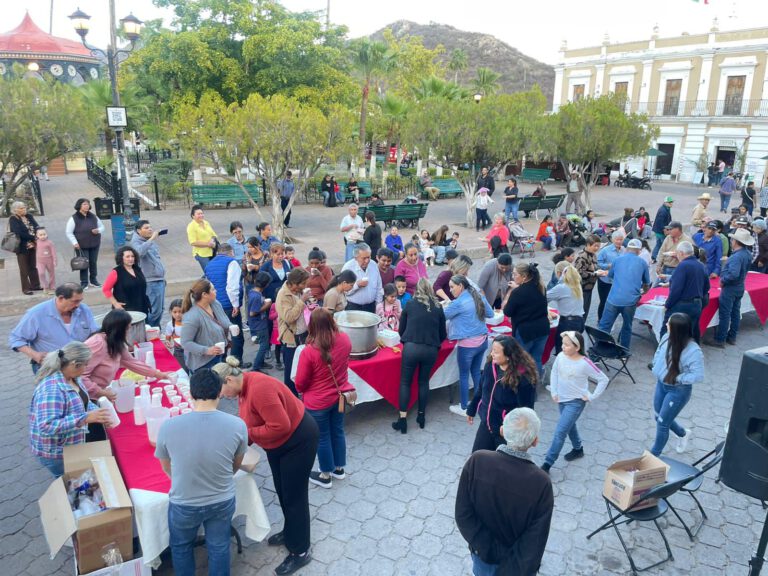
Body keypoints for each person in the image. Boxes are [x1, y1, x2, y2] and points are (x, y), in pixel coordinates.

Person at [215, 359, 318, 576]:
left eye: (222, 391)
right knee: (282, 491)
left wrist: (247, 434)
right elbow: (251, 423)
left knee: (294, 497)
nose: (222, 396)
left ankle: (300, 552)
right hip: (278, 446)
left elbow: (280, 426)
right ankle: (291, 532)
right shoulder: (242, 389)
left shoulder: (259, 388)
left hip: (297, 442)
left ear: (229, 379)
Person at [155, 368, 247, 576]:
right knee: (219, 545)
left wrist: (182, 479)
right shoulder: (237, 425)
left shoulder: (168, 426)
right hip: (222, 500)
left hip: (184, 501)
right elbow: (236, 464)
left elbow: (165, 466)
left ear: (191, 394)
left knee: (181, 547)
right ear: (218, 393)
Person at [455, 408, 553, 576]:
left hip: (483, 557)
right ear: (535, 441)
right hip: (518, 567)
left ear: (502, 430)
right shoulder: (542, 483)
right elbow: (535, 540)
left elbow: (463, 514)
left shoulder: (477, 461)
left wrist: (487, 549)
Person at [28, 342, 112, 477]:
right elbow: (46, 425)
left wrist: (100, 414)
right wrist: (85, 418)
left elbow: (84, 401)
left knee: (80, 480)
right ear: (74, 364)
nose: (86, 368)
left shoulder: (74, 378)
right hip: (56, 453)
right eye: (85, 364)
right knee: (70, 483)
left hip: (71, 446)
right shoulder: (52, 389)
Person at [294, 309, 356, 489]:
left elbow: (300, 383)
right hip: (340, 396)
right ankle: (339, 469)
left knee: (322, 437)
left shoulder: (309, 351)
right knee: (338, 431)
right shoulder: (344, 339)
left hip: (317, 402)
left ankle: (325, 474)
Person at [541, 332, 609, 473]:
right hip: (561, 399)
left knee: (560, 432)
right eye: (562, 344)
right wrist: (554, 391)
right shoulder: (560, 356)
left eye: (567, 345)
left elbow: (603, 379)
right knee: (569, 426)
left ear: (577, 347)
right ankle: (578, 449)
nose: (563, 347)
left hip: (576, 402)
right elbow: (554, 373)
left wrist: (591, 396)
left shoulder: (585, 363)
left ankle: (547, 463)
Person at [392, 279, 447, 433]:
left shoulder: (410, 304)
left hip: (411, 348)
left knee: (405, 383)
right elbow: (443, 334)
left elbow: (401, 330)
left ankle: (402, 419)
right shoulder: (438, 307)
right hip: (430, 349)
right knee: (423, 382)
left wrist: (408, 339)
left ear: (416, 290)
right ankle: (421, 417)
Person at [465, 336, 537, 452]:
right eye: (492, 350)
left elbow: (526, 411)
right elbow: (481, 389)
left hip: (506, 432)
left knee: (502, 466)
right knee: (477, 458)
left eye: (496, 352)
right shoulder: (490, 365)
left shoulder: (523, 378)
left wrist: (513, 429)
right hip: (486, 425)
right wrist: (472, 409)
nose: (492, 354)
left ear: (508, 356)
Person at [81, 308, 168, 401]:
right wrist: (101, 392)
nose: (128, 332)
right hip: (87, 397)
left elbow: (132, 362)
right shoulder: (98, 344)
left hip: (99, 394)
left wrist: (159, 374)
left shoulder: (115, 343)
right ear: (119, 329)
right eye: (127, 329)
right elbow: (80, 376)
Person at [9, 283, 99, 373]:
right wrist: (35, 355)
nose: (78, 305)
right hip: (50, 368)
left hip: (78, 367)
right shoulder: (36, 314)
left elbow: (94, 334)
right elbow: (16, 339)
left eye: (80, 301)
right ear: (60, 298)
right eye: (75, 301)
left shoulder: (84, 310)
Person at [649, 313, 703, 456]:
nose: (666, 324)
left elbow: (698, 375)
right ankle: (682, 433)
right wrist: (655, 364)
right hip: (661, 384)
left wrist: (677, 378)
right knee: (658, 415)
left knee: (662, 423)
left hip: (678, 391)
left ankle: (653, 455)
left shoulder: (693, 350)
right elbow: (659, 351)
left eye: (669, 323)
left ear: (676, 329)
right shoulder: (666, 337)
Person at [444, 275, 495, 416]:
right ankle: (481, 402)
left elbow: (441, 316)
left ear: (460, 286)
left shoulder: (458, 303)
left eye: (452, 287)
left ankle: (464, 407)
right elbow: (490, 314)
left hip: (467, 345)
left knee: (464, 375)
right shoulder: (478, 296)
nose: (450, 290)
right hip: (483, 341)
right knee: (476, 372)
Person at [704, 228, 754, 348]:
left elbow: (733, 274)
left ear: (736, 241)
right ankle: (732, 337)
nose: (731, 241)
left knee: (725, 314)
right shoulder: (747, 253)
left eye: (732, 239)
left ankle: (720, 339)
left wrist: (723, 281)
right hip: (740, 286)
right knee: (735, 312)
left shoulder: (737, 256)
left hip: (730, 288)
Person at [598, 239, 651, 349]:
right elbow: (646, 283)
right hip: (630, 301)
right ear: (639, 251)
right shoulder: (642, 263)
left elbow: (610, 276)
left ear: (626, 249)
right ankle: (624, 350)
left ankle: (598, 351)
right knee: (627, 326)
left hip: (614, 299)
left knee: (604, 326)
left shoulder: (617, 260)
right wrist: (644, 291)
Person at [504, 262, 550, 376]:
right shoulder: (541, 287)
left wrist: (511, 293)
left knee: (521, 361)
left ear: (524, 276)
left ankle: (522, 387)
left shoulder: (518, 292)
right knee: (536, 359)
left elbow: (507, 311)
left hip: (526, 331)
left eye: (515, 274)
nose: (513, 277)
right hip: (543, 328)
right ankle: (534, 387)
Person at [204, 243, 245, 365]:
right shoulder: (232, 263)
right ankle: (235, 361)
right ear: (231, 252)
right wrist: (235, 305)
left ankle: (221, 361)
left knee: (220, 334)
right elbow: (232, 287)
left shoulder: (209, 264)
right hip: (228, 304)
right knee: (236, 333)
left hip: (213, 304)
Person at [661, 241, 709, 343]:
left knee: (668, 332)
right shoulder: (701, 265)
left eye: (677, 253)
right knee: (691, 333)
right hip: (696, 304)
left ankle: (666, 354)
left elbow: (676, 290)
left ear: (681, 253)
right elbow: (706, 287)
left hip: (682, 305)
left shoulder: (683, 266)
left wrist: (667, 305)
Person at [180, 279, 233, 373]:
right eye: (213, 289)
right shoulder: (192, 316)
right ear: (204, 294)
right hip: (203, 363)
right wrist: (207, 350)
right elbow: (185, 343)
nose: (215, 291)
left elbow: (224, 321)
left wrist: (231, 327)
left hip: (220, 354)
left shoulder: (215, 303)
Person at [276, 268, 311, 394]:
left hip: (302, 335)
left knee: (302, 366)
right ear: (294, 283)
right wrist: (302, 301)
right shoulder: (283, 295)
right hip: (291, 338)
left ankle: (301, 391)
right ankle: (291, 397)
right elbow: (289, 317)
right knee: (291, 369)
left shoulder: (298, 291)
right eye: (303, 284)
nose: (305, 286)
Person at [130, 220, 167, 328]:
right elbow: (139, 253)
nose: (150, 229)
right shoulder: (136, 242)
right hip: (151, 281)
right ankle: (150, 330)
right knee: (154, 310)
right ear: (138, 231)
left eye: (150, 227)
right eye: (146, 228)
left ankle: (155, 330)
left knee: (160, 310)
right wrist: (151, 239)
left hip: (159, 279)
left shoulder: (148, 241)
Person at [65, 198, 104, 289]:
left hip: (94, 243)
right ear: (79, 206)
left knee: (93, 262)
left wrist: (98, 230)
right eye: (84, 204)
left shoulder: (93, 216)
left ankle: (93, 280)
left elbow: (102, 227)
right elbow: (69, 232)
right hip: (81, 245)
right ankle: (84, 282)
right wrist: (74, 242)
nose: (87, 206)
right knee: (84, 263)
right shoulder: (74, 218)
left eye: (88, 204)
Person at [547, 262, 585, 353]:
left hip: (568, 323)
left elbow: (541, 299)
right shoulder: (577, 284)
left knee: (563, 351)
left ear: (559, 273)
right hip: (580, 321)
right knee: (574, 351)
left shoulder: (561, 287)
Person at [101, 246, 150, 317]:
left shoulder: (138, 269)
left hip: (142, 307)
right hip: (125, 310)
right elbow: (106, 289)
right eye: (127, 257)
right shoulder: (116, 272)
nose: (131, 259)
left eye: (132, 256)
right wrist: (115, 304)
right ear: (121, 258)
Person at [8, 201, 42, 295]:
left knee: (33, 266)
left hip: (32, 245)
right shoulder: (13, 219)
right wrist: (33, 237)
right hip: (22, 247)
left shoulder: (29, 216)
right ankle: (26, 288)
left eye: (24, 207)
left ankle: (35, 285)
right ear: (16, 210)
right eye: (21, 208)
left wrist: (39, 231)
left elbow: (36, 226)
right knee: (24, 268)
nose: (24, 209)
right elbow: (18, 232)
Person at [341, 243, 383, 313]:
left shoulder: (373, 265)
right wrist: (357, 285)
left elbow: (379, 286)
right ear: (356, 258)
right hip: (353, 307)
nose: (367, 261)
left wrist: (379, 304)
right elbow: (343, 291)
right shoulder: (348, 267)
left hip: (371, 307)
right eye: (364, 258)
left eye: (368, 257)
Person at [573, 236, 607, 320]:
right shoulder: (582, 256)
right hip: (581, 289)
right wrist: (595, 274)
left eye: (598, 246)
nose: (597, 248)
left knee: (585, 311)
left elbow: (594, 267)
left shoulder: (593, 255)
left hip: (588, 288)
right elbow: (579, 273)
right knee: (581, 312)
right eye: (595, 246)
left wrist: (600, 271)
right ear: (588, 245)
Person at [596, 230, 626, 320]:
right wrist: (609, 266)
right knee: (604, 301)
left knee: (614, 301)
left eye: (621, 239)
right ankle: (600, 319)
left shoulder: (624, 250)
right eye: (617, 239)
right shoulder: (605, 250)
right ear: (613, 240)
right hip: (605, 280)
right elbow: (598, 264)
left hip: (617, 281)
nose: (619, 241)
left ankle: (609, 318)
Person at [186, 205, 218, 272]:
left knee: (213, 271)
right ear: (193, 216)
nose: (201, 215)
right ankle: (202, 282)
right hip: (201, 254)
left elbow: (214, 234)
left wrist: (212, 240)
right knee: (209, 272)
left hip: (212, 251)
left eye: (202, 213)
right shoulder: (191, 226)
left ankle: (203, 282)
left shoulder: (206, 223)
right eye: (198, 214)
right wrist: (207, 244)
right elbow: (193, 242)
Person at [165, 299, 188, 372]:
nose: (177, 314)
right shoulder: (170, 325)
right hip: (178, 351)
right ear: (171, 312)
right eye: (175, 312)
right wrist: (168, 343)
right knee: (182, 369)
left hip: (190, 350)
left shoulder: (189, 323)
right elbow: (167, 339)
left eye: (180, 312)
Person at [651, 196, 674, 261]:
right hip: (661, 232)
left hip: (658, 231)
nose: (671, 203)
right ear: (665, 202)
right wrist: (665, 230)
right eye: (669, 202)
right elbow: (660, 222)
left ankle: (653, 257)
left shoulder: (666, 208)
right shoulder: (663, 211)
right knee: (665, 245)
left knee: (658, 244)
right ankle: (664, 259)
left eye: (671, 202)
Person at [35, 227, 57, 295]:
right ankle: (45, 286)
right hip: (40, 261)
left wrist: (54, 260)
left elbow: (53, 252)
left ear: (46, 234)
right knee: (41, 273)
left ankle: (52, 287)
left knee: (51, 274)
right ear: (37, 236)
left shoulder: (49, 243)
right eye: (40, 235)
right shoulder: (36, 242)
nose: (42, 236)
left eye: (44, 234)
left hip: (49, 260)